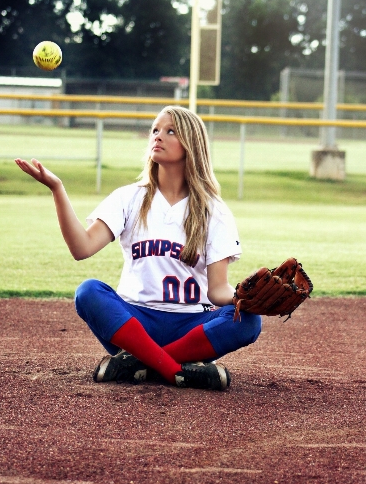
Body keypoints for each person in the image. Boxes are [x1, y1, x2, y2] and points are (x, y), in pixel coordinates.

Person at [15, 106, 261, 391]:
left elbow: (217, 291)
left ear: (191, 145)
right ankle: (176, 370)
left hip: (192, 325)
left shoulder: (213, 210)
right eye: (155, 130)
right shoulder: (129, 198)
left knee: (248, 322)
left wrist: (246, 296)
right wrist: (57, 189)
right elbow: (81, 248)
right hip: (136, 321)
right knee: (89, 292)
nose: (158, 136)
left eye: (171, 131)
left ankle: (137, 362)